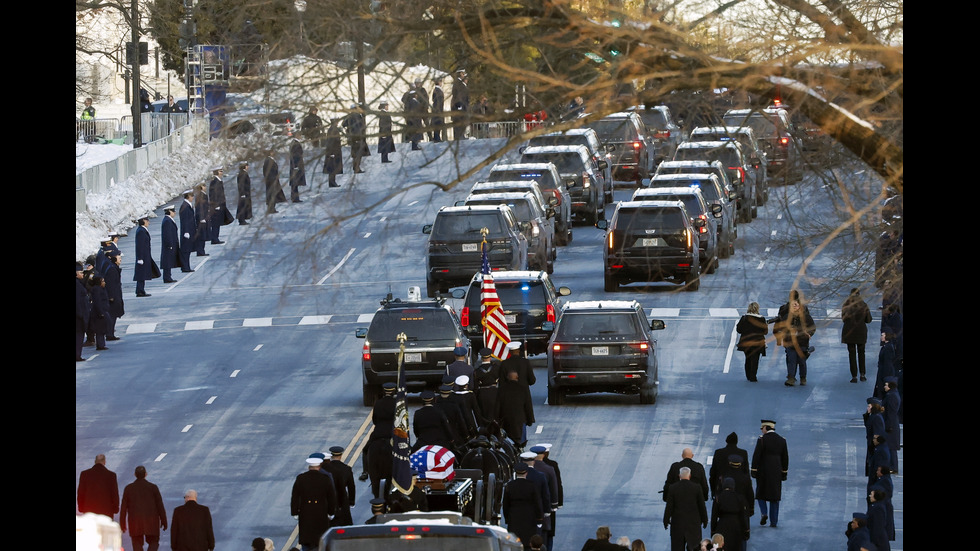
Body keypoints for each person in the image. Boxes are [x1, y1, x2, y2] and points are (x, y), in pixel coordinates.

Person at [291, 453, 338, 550]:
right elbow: (331, 497)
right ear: (320, 466)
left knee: (306, 541)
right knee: (320, 541)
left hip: (305, 513)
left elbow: (295, 496)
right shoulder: (325, 479)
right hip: (321, 513)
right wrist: (331, 512)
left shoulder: (301, 478)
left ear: (309, 467)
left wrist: (295, 512)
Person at [771, 291, 815, 386]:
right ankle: (791, 377)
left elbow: (812, 326)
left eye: (796, 305)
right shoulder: (787, 315)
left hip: (802, 341)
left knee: (801, 360)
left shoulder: (804, 316)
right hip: (790, 341)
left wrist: (809, 333)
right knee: (792, 359)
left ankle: (802, 377)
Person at [119, 465, 168, 551]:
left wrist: (122, 524)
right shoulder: (153, 488)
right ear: (146, 474)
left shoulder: (129, 488)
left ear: (135, 474)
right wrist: (164, 520)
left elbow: (123, 508)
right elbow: (160, 505)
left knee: (136, 543)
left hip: (135, 523)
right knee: (154, 542)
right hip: (151, 522)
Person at [751, 419, 788, 528]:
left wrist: (753, 470)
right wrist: (784, 472)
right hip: (776, 470)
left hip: (763, 470)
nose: (762, 430)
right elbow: (785, 458)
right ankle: (774, 522)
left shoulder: (762, 440)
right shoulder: (782, 440)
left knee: (760, 493)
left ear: (766, 427)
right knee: (775, 496)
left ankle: (764, 513)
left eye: (762, 428)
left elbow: (756, 455)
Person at [663, 466, 708, 551]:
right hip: (693, 525)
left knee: (677, 547)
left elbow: (669, 506)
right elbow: (701, 506)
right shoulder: (697, 488)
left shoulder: (673, 488)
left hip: (678, 524)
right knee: (694, 548)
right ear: (690, 476)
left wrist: (666, 520)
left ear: (679, 476)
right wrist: (704, 520)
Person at [502, 461, 542, 550]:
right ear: (526, 473)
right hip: (529, 518)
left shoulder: (510, 485)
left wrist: (507, 518)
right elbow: (537, 503)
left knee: (515, 543)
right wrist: (539, 518)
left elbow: (505, 504)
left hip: (514, 518)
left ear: (516, 473)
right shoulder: (532, 485)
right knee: (528, 544)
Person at [360, 382, 396, 482]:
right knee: (406, 449)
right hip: (392, 433)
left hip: (378, 432)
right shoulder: (398, 403)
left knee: (366, 450)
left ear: (384, 392)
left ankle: (365, 472)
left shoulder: (378, 403)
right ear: (394, 392)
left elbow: (375, 420)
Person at [496, 364, 535, 448]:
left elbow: (497, 406)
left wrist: (497, 420)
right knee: (520, 442)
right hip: (520, 421)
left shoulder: (501, 390)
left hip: (505, 421)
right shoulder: (523, 389)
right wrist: (530, 420)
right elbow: (528, 405)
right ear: (517, 378)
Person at [841, 288, 873, 382]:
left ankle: (854, 376)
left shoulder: (846, 305)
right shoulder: (864, 305)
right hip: (861, 332)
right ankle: (862, 375)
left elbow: (843, 319)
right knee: (861, 353)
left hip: (849, 332)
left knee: (852, 354)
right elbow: (868, 320)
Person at [710, 478, 749, 551]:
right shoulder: (740, 497)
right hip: (736, 526)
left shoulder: (718, 498)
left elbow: (714, 516)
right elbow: (744, 516)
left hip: (722, 525)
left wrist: (713, 531)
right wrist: (746, 530)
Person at [77, 453, 119, 519]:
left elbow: (81, 493)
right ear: (104, 462)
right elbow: (114, 494)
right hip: (106, 511)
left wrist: (81, 508)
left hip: (89, 512)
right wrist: (115, 509)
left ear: (95, 462)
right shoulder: (111, 475)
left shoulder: (84, 474)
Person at [322, 446, 356, 527]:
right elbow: (351, 486)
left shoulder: (326, 469)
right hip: (342, 498)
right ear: (341, 456)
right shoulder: (346, 469)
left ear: (331, 456)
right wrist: (351, 501)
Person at [709, 433, 749, 498]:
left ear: (726, 441)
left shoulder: (719, 453)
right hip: (739, 488)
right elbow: (746, 472)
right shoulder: (743, 453)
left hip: (721, 487)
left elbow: (713, 472)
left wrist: (713, 491)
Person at [735, 302, 768, 382]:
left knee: (748, 358)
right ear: (757, 309)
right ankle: (753, 376)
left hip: (746, 342)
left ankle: (748, 375)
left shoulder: (744, 318)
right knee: (755, 359)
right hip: (757, 342)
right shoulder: (761, 319)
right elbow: (765, 331)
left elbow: (739, 330)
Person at [473, 347, 500, 423]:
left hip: (482, 394)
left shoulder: (477, 371)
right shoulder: (496, 368)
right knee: (495, 415)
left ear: (481, 358)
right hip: (494, 392)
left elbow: (475, 387)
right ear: (490, 357)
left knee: (485, 415)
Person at [133, 215, 157, 297]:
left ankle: (141, 290)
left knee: (142, 273)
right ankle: (140, 290)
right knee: (141, 274)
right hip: (142, 256)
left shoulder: (142, 230)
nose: (148, 222)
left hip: (145, 255)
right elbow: (140, 245)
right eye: (147, 220)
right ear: (143, 221)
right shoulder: (141, 231)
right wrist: (140, 258)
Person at [342, 104, 369, 173]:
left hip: (352, 137)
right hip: (358, 137)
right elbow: (361, 127)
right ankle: (357, 168)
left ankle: (355, 167)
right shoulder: (357, 116)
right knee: (358, 153)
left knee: (355, 153)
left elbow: (343, 124)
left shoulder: (349, 116)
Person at [104, 252, 124, 340]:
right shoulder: (112, 269)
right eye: (119, 258)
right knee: (112, 315)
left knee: (113, 315)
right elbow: (111, 284)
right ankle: (109, 334)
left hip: (115, 294)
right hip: (114, 295)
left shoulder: (113, 267)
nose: (120, 260)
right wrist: (111, 296)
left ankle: (110, 333)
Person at [882, 377, 900, 471]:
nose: (884, 386)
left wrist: (889, 426)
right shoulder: (892, 394)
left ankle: (893, 467)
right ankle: (892, 466)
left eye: (886, 384)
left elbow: (891, 413)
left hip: (891, 424)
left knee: (891, 446)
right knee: (891, 446)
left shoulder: (891, 396)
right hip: (892, 423)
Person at [873, 332, 899, 400]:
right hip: (883, 370)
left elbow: (887, 362)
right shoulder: (887, 346)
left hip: (885, 371)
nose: (881, 337)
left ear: (886, 336)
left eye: (882, 335)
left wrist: (884, 375)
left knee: (881, 388)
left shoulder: (888, 348)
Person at [90, 273, 111, 350]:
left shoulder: (101, 288)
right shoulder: (96, 289)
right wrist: (101, 312)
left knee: (102, 328)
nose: (104, 282)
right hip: (99, 312)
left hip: (103, 310)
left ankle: (102, 344)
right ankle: (100, 345)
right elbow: (97, 301)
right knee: (100, 329)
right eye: (102, 281)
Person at [208, 166, 228, 244]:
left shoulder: (218, 181)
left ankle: (215, 238)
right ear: (216, 172)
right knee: (216, 223)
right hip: (216, 206)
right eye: (220, 171)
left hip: (219, 205)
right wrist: (216, 205)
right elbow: (213, 195)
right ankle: (214, 238)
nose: (222, 172)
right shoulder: (215, 182)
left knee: (217, 223)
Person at [160, 205, 179, 283]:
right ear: (169, 212)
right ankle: (167, 277)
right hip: (168, 245)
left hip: (170, 244)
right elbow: (167, 234)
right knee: (167, 261)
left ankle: (168, 276)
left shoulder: (168, 220)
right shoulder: (167, 221)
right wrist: (170, 244)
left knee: (169, 261)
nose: (174, 212)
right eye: (173, 211)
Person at [323, 118, 344, 187]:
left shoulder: (333, 129)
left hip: (335, 151)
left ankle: (332, 182)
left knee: (333, 167)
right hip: (333, 151)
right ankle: (332, 182)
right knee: (332, 167)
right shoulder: (332, 130)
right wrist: (331, 152)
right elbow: (331, 142)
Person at [77, 262, 91, 361]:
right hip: (78, 317)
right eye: (81, 272)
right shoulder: (77, 285)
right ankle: (77, 355)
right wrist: (81, 315)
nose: (83, 274)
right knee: (78, 336)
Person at [451, 69, 470, 140]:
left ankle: (461, 135)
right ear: (460, 74)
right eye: (463, 73)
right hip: (459, 105)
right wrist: (459, 104)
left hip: (462, 105)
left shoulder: (460, 83)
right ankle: (459, 136)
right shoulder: (458, 83)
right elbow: (457, 94)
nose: (464, 75)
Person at [193, 183, 210, 256]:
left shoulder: (203, 194)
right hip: (201, 218)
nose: (205, 187)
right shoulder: (200, 195)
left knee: (203, 235)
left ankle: (201, 250)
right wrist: (201, 218)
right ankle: (200, 251)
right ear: (201, 187)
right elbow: (199, 207)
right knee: (201, 235)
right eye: (204, 185)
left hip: (204, 217)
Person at [289, 138, 306, 203]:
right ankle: (295, 198)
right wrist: (296, 166)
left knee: (295, 182)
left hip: (295, 166)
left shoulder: (294, 143)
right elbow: (295, 156)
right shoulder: (295, 144)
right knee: (295, 182)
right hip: (296, 166)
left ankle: (294, 197)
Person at [430, 77, 445, 142]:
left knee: (438, 124)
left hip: (438, 109)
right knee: (438, 124)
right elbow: (437, 101)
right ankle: (437, 137)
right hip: (438, 110)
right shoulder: (437, 90)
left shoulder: (437, 90)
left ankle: (437, 136)